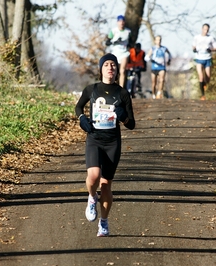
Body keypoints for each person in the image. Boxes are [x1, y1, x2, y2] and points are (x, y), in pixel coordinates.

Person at [75, 53, 136, 237]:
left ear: (117, 70)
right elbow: (78, 107)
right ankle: (92, 197)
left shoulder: (123, 93)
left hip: (112, 141)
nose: (110, 67)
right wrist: (82, 119)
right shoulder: (91, 89)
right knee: (93, 177)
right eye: (107, 64)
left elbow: (132, 124)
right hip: (94, 138)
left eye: (113, 65)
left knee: (106, 184)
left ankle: (104, 222)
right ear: (101, 69)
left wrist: (122, 116)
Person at [192, 23, 216, 100]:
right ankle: (203, 95)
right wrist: (194, 49)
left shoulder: (210, 38)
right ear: (202, 29)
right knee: (201, 77)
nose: (206, 31)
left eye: (207, 30)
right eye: (204, 29)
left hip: (207, 58)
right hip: (199, 59)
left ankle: (204, 85)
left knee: (208, 78)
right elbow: (193, 46)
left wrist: (211, 49)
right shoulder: (196, 37)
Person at [106, 15, 131, 88]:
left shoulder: (128, 31)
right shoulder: (113, 31)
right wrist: (115, 41)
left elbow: (131, 42)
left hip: (124, 53)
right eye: (120, 21)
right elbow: (107, 42)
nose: (121, 23)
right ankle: (114, 87)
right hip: (115, 53)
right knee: (115, 72)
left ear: (124, 22)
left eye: (123, 21)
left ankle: (121, 89)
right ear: (117, 22)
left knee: (122, 71)